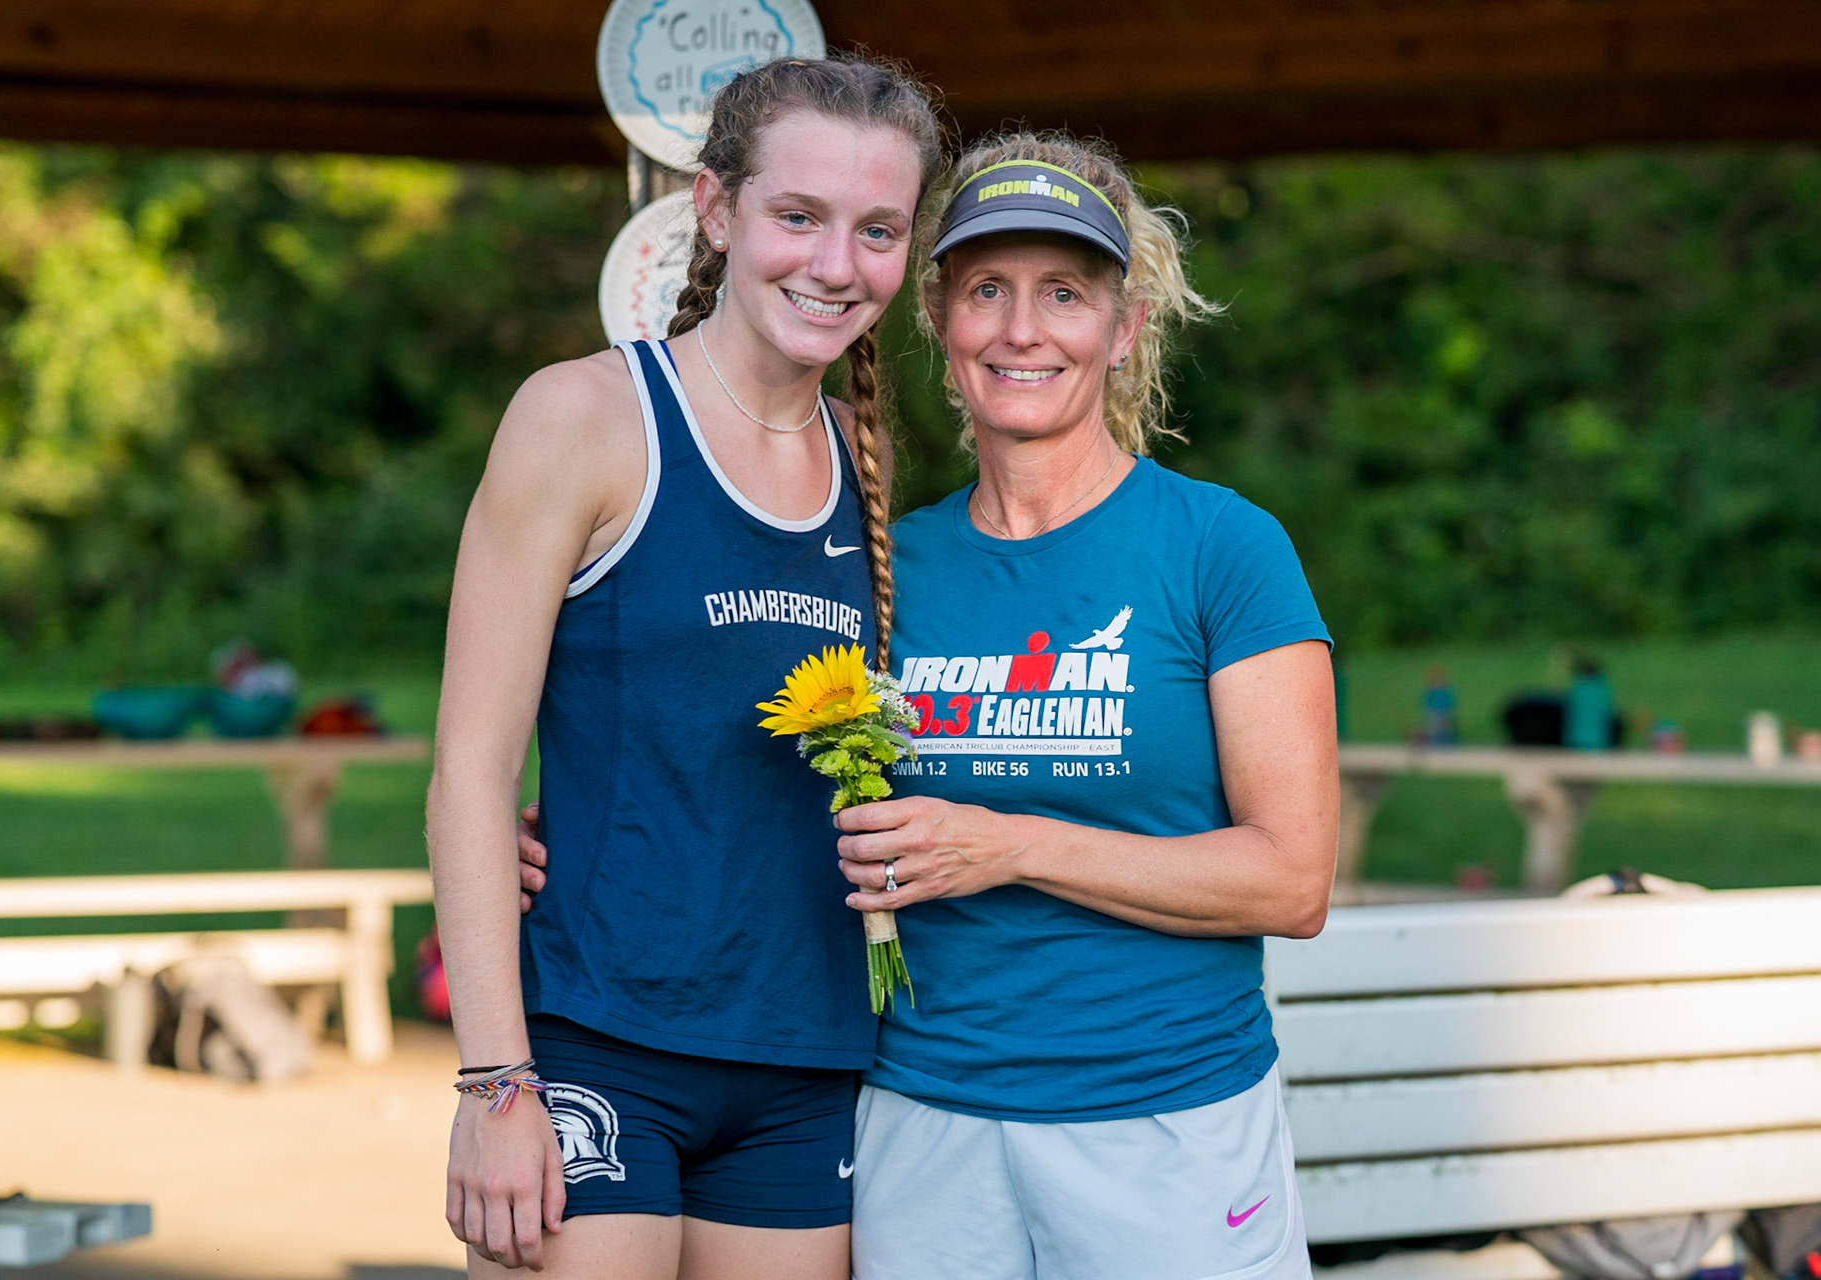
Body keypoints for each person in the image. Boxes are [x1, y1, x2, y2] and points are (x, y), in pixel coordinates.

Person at [429, 56, 943, 1279]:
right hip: (599, 1041)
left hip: (804, 1057)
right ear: (715, 208)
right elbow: (470, 771)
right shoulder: (584, 418)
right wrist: (495, 1081)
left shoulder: (864, 458)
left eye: (877, 230)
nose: (835, 264)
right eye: (798, 215)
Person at [831, 132, 1338, 1280]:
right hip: (927, 1119)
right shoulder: (885, 568)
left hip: (1168, 1125)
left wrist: (1008, 845)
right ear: (939, 319)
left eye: (1064, 291)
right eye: (987, 290)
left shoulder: (1222, 549)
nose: (1023, 328)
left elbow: (1291, 879)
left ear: (1124, 327)